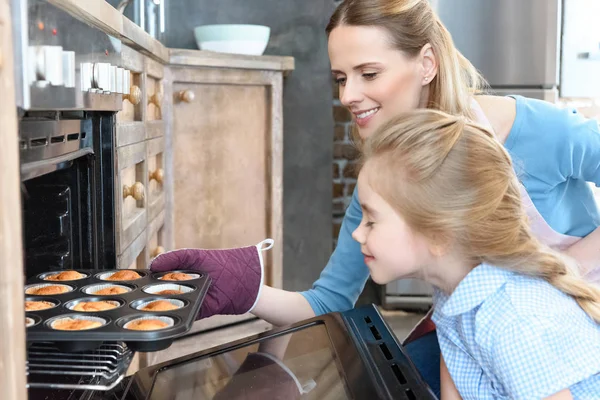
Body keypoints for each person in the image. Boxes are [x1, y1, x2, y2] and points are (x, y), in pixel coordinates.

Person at [150, 0, 600, 396]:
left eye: (369, 73)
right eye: (341, 77)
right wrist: (245, 290)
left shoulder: (537, 130)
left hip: (579, 312)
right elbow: (330, 301)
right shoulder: (384, 185)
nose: (348, 95)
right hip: (480, 317)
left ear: (426, 63)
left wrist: (569, 268)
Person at [351, 109, 600, 399]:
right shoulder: (454, 292)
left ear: (438, 235)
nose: (358, 232)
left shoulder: (513, 322)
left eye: (371, 220)